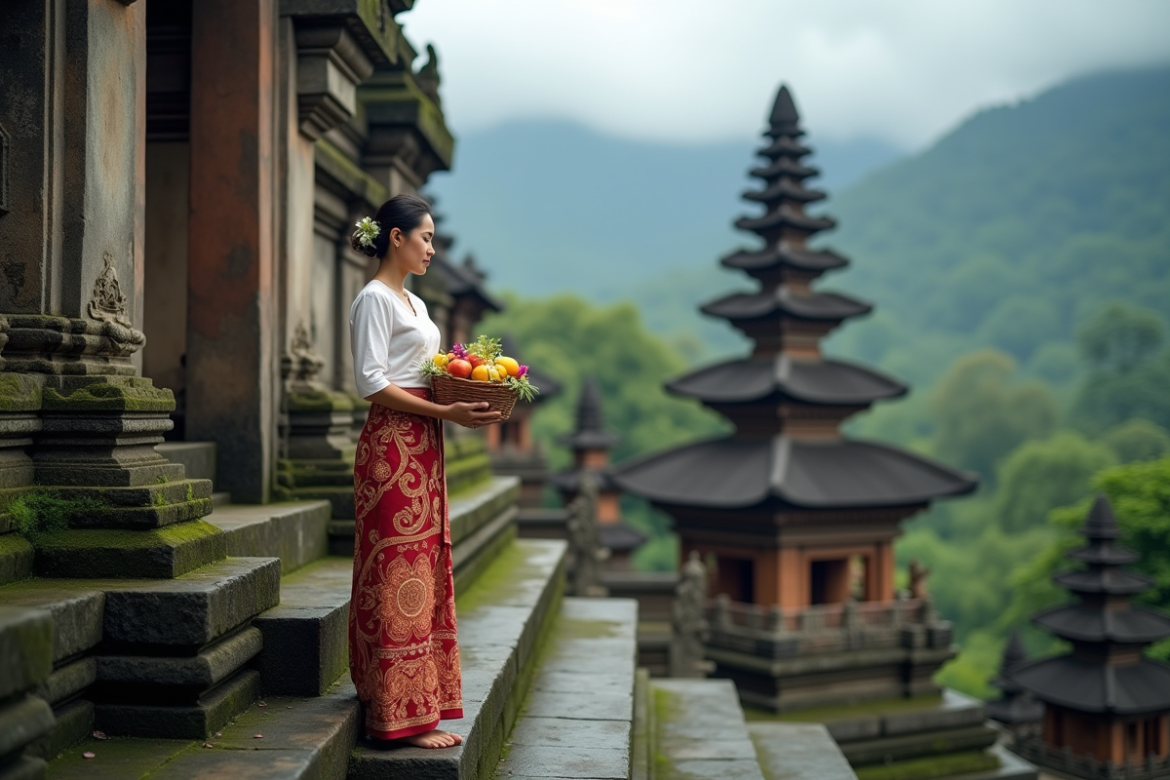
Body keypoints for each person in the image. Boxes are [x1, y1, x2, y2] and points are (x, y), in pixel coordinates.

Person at [347, 194, 500, 749]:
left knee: (425, 562)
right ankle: (396, 713)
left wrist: (467, 398)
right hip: (391, 447)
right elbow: (370, 381)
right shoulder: (375, 300)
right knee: (396, 568)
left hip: (425, 447)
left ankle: (416, 698)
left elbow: (427, 372)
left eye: (433, 238)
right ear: (395, 237)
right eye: (425, 237)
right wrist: (444, 411)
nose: (432, 248)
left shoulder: (415, 304)